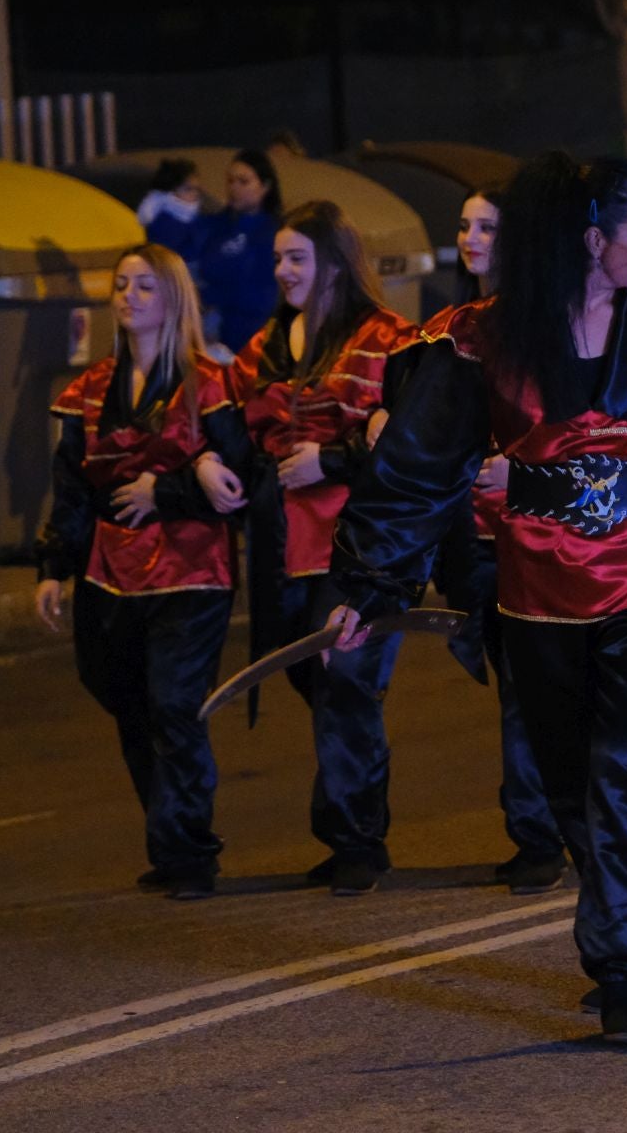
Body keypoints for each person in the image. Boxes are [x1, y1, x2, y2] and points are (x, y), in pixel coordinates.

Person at [325, 153, 627, 1047]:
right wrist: (367, 584)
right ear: (589, 240)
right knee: (566, 777)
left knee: (621, 764)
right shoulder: (482, 336)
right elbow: (419, 467)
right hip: (537, 588)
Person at [34, 245, 251, 901]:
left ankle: (189, 852)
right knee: (126, 701)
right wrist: (54, 568)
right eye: (122, 285)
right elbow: (72, 485)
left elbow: (244, 479)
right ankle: (168, 837)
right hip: (111, 571)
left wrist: (173, 487)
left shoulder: (208, 383)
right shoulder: (90, 388)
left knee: (175, 704)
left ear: (173, 298)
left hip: (191, 569)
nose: (129, 296)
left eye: (145, 286)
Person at [227, 201, 420, 898]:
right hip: (285, 544)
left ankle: (358, 842)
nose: (282, 271)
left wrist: (331, 461)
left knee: (345, 680)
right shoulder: (265, 347)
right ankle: (351, 828)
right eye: (278, 258)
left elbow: (409, 447)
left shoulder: (389, 338)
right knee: (315, 679)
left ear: (334, 263)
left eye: (296, 258)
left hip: (363, 543)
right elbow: (240, 437)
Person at [429, 185, 570, 895]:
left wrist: (521, 466)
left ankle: (544, 831)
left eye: (489, 225)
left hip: (538, 531)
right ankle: (539, 827)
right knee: (514, 689)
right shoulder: (451, 327)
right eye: (464, 225)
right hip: (475, 537)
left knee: (534, 688)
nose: (472, 236)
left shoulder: (537, 325)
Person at [196, 149, 284, 357]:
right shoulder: (214, 226)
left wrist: (208, 296)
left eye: (243, 182)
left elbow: (260, 293)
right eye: (230, 181)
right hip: (209, 337)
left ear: (265, 186)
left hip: (252, 339)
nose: (234, 188)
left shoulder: (274, 233)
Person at [137, 158, 204, 261]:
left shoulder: (197, 218)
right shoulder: (162, 224)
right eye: (188, 189)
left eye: (197, 189)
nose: (195, 194)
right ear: (171, 191)